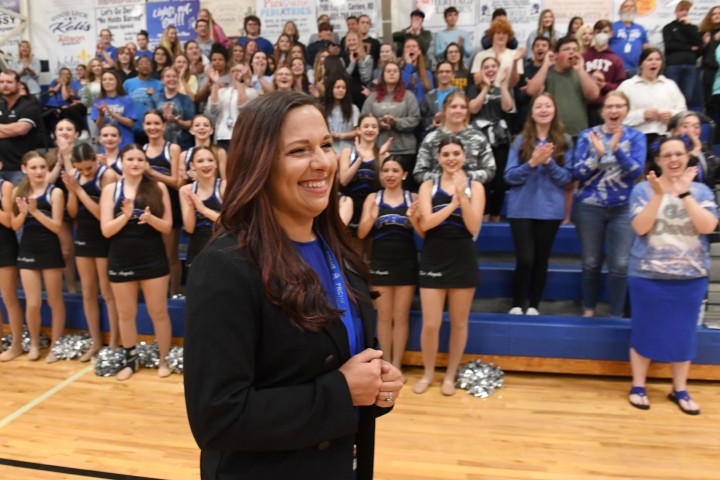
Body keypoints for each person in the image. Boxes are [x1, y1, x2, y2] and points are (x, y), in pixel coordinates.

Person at [184, 91, 402, 479]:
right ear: (260, 164)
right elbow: (216, 417)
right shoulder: (224, 266)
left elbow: (339, 364)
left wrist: (376, 388)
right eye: (299, 150)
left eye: (326, 145)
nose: (321, 162)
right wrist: (342, 391)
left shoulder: (338, 250)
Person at [627, 136, 718, 414]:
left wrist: (684, 193)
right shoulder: (643, 190)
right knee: (644, 330)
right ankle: (638, 386)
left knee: (684, 335)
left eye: (679, 154)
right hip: (647, 276)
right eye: (667, 155)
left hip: (690, 277)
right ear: (658, 161)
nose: (674, 159)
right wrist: (658, 195)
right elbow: (641, 228)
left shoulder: (701, 190)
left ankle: (679, 389)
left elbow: (707, 226)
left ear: (687, 157)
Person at [413, 136, 485, 396]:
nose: (451, 158)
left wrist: (461, 197)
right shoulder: (427, 186)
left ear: (464, 156)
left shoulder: (475, 187)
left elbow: (474, 226)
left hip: (463, 256)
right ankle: (429, 373)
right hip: (434, 255)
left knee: (459, 323)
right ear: (439, 158)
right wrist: (453, 203)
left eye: (456, 153)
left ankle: (450, 377)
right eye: (446, 154)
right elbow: (426, 224)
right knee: (431, 324)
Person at [100, 144, 172, 380]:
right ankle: (130, 361)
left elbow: (168, 227)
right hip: (121, 257)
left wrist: (150, 219)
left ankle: (164, 359)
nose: (135, 163)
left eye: (139, 159)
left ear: (145, 163)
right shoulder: (111, 189)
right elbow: (106, 231)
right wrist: (126, 215)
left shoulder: (158, 187)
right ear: (122, 161)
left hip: (152, 256)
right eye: (130, 159)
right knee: (126, 313)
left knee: (158, 312)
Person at [572, 91, 647, 318]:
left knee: (621, 264)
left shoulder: (636, 137)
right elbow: (577, 173)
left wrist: (615, 151)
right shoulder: (588, 136)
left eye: (619, 106)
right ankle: (589, 309)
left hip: (623, 207)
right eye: (610, 106)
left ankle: (615, 314)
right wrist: (598, 155)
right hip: (589, 206)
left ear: (626, 110)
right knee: (591, 261)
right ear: (603, 111)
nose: (614, 111)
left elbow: (636, 171)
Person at [504, 93, 574, 315]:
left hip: (550, 209)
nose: (543, 110)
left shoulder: (565, 141)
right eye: (539, 106)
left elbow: (566, 179)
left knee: (541, 259)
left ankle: (534, 305)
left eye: (548, 106)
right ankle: (517, 303)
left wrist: (549, 162)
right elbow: (509, 176)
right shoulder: (520, 140)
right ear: (532, 113)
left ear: (554, 111)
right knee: (525, 258)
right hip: (521, 208)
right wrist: (532, 163)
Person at [357, 157, 420, 373]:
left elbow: (422, 233)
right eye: (386, 170)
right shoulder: (373, 198)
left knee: (401, 316)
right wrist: (371, 218)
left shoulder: (413, 198)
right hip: (380, 262)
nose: (390, 174)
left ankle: (397, 365)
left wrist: (414, 218)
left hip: (407, 262)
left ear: (404, 174)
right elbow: (362, 233)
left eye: (395, 170)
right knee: (384, 317)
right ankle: (386, 364)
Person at [63, 143, 120, 359]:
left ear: (96, 159)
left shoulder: (108, 175)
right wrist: (71, 191)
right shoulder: (73, 174)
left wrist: (78, 190)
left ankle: (114, 341)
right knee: (87, 292)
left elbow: (102, 215)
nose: (86, 172)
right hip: (84, 236)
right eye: (81, 169)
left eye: (89, 168)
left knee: (107, 293)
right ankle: (95, 341)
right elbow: (72, 212)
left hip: (104, 236)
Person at [12, 152, 66, 362]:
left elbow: (56, 226)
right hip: (27, 248)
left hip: (49, 248)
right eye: (34, 167)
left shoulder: (56, 193)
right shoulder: (18, 191)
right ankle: (34, 343)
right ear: (24, 169)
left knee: (54, 300)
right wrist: (25, 212)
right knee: (32, 303)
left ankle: (55, 345)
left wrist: (35, 211)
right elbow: (14, 225)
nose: (39, 171)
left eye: (42, 167)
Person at [618, 48, 687, 164]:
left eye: (658, 59)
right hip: (637, 138)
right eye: (649, 59)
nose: (654, 62)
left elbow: (683, 112)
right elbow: (618, 116)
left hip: (664, 137)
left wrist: (672, 116)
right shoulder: (627, 86)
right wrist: (642, 116)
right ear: (641, 64)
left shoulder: (670, 85)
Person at [415, 90, 496, 187]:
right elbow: (419, 172)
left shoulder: (478, 137)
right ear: (444, 109)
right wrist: (444, 179)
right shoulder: (431, 138)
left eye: (463, 107)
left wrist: (465, 177)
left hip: (471, 194)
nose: (458, 110)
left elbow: (490, 170)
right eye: (453, 107)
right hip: (438, 196)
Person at [142, 110, 183, 298]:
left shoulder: (172, 149)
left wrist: (151, 172)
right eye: (148, 124)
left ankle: (174, 293)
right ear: (143, 126)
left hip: (170, 206)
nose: (152, 127)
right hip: (147, 207)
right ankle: (154, 293)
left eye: (156, 123)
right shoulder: (141, 150)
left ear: (164, 126)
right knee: (149, 253)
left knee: (170, 255)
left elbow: (177, 182)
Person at [526, 37, 600, 138]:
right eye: (567, 49)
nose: (572, 53)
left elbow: (594, 95)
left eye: (575, 50)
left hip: (579, 133)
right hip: (554, 134)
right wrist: (545, 64)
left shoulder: (582, 74)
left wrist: (580, 70)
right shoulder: (548, 75)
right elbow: (531, 91)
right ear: (556, 55)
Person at [468, 57, 514, 221]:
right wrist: (485, 88)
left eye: (493, 66)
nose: (490, 69)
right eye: (486, 67)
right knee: (483, 180)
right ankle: (483, 216)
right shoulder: (474, 88)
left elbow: (507, 107)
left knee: (499, 182)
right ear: (481, 71)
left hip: (500, 139)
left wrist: (502, 86)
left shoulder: (504, 87)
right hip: (480, 140)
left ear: (498, 69)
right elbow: (472, 109)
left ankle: (495, 216)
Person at [361, 61, 420, 183]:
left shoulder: (409, 96)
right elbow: (364, 120)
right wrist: (379, 125)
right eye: (388, 71)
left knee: (404, 188)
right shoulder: (372, 97)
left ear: (400, 75)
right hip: (378, 149)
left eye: (395, 71)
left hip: (405, 150)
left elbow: (415, 119)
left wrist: (395, 122)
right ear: (382, 75)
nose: (391, 73)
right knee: (380, 185)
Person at [339, 113, 389, 248]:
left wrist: (382, 157)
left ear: (378, 130)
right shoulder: (348, 152)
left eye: (374, 126)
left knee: (370, 258)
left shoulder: (384, 153)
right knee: (354, 255)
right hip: (351, 208)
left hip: (373, 209)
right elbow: (343, 181)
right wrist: (359, 159)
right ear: (358, 130)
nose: (370, 129)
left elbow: (385, 185)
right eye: (366, 126)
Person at [179, 147, 225, 268]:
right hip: (197, 244)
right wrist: (190, 206)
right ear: (192, 165)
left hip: (222, 244)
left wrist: (202, 209)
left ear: (216, 163)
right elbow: (189, 229)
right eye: (200, 161)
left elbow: (231, 223)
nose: (206, 165)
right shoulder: (186, 190)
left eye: (210, 160)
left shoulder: (224, 186)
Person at [0, 69, 43, 185]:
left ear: (18, 85)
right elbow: (14, 129)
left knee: (19, 202)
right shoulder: (1, 105)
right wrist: (10, 129)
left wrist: (12, 129)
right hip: (1, 166)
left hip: (19, 168)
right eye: (2, 82)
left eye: (9, 82)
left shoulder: (29, 106)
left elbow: (20, 129)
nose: (5, 85)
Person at [582, 20, 627, 127]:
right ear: (593, 34)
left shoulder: (616, 60)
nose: (602, 35)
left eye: (605, 32)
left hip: (607, 107)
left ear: (611, 34)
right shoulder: (583, 57)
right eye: (598, 32)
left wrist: (604, 85)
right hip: (585, 107)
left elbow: (622, 87)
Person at [205, 63, 258, 151]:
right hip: (222, 136)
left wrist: (241, 82)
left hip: (242, 137)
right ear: (230, 74)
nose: (237, 73)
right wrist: (215, 83)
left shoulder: (252, 92)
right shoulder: (222, 91)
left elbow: (243, 107)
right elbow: (213, 109)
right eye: (235, 71)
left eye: (241, 71)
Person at [662, 0, 703, 105]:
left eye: (686, 10)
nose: (684, 12)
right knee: (671, 95)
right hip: (673, 65)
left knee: (688, 96)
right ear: (676, 12)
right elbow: (670, 45)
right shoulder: (668, 28)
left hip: (690, 65)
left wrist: (688, 26)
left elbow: (699, 44)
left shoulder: (693, 28)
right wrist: (690, 47)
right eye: (681, 10)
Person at [0, 176, 22, 361]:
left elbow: (8, 221)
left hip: (4, 245)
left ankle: (16, 345)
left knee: (9, 297)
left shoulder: (5, 186)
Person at [150, 67, 195, 150]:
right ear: (162, 80)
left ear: (178, 79)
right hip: (160, 144)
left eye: (174, 76)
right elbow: (150, 121)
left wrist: (177, 121)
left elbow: (191, 124)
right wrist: (162, 118)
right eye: (168, 76)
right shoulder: (155, 98)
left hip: (182, 144)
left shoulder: (186, 99)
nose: (171, 79)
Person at [470, 19, 523, 89]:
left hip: (507, 94)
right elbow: (477, 81)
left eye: (504, 33)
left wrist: (515, 62)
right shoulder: (480, 55)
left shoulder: (515, 55)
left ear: (509, 36)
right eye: (498, 33)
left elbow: (514, 83)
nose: (501, 36)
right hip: (485, 94)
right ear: (492, 35)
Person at [122, 56, 163, 146]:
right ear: (137, 67)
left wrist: (154, 95)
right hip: (132, 128)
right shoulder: (128, 83)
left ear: (152, 67)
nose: (145, 66)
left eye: (147, 63)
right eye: (142, 63)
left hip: (152, 129)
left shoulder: (159, 84)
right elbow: (122, 104)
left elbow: (161, 106)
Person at [91, 70, 137, 149]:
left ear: (117, 82)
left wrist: (112, 113)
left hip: (125, 142)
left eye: (110, 79)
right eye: (104, 80)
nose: (107, 82)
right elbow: (99, 126)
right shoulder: (98, 101)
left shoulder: (127, 100)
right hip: (107, 144)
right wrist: (101, 115)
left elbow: (130, 123)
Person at [609, 0, 650, 78]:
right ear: (621, 10)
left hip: (635, 68)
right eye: (626, 6)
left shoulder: (640, 28)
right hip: (615, 68)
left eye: (632, 6)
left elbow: (646, 49)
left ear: (635, 10)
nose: (629, 8)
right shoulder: (612, 26)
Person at [180, 114, 228, 181]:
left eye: (206, 125)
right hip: (191, 190)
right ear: (191, 130)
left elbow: (224, 181)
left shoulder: (220, 152)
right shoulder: (184, 155)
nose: (201, 128)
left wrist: (201, 178)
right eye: (197, 125)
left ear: (211, 130)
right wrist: (185, 176)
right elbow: (179, 185)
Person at [420, 61, 455, 135]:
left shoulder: (460, 95)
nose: (444, 74)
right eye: (441, 72)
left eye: (448, 72)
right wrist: (433, 120)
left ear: (453, 75)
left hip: (456, 135)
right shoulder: (428, 97)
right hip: (434, 135)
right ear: (436, 75)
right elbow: (421, 121)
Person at [326, 76, 360, 153]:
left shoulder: (353, 108)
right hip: (329, 149)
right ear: (331, 89)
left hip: (348, 149)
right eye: (337, 87)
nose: (341, 90)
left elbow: (357, 131)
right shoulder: (324, 109)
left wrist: (341, 135)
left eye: (344, 88)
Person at [700, 6, 720, 121]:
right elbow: (701, 56)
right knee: (710, 104)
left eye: (719, 13)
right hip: (710, 73)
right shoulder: (705, 33)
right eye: (714, 14)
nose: (717, 15)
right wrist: (708, 43)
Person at [399, 37, 434, 104]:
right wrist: (408, 65)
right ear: (404, 52)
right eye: (408, 46)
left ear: (419, 51)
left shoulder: (427, 74)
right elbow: (403, 87)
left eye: (414, 46)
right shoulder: (399, 72)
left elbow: (431, 95)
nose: (411, 48)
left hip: (423, 110)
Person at [80, 59, 104, 142]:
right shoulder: (87, 84)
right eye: (94, 66)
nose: (96, 68)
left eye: (98, 65)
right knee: (95, 139)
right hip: (92, 113)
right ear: (90, 69)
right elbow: (85, 102)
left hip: (109, 112)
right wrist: (84, 89)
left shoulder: (108, 80)